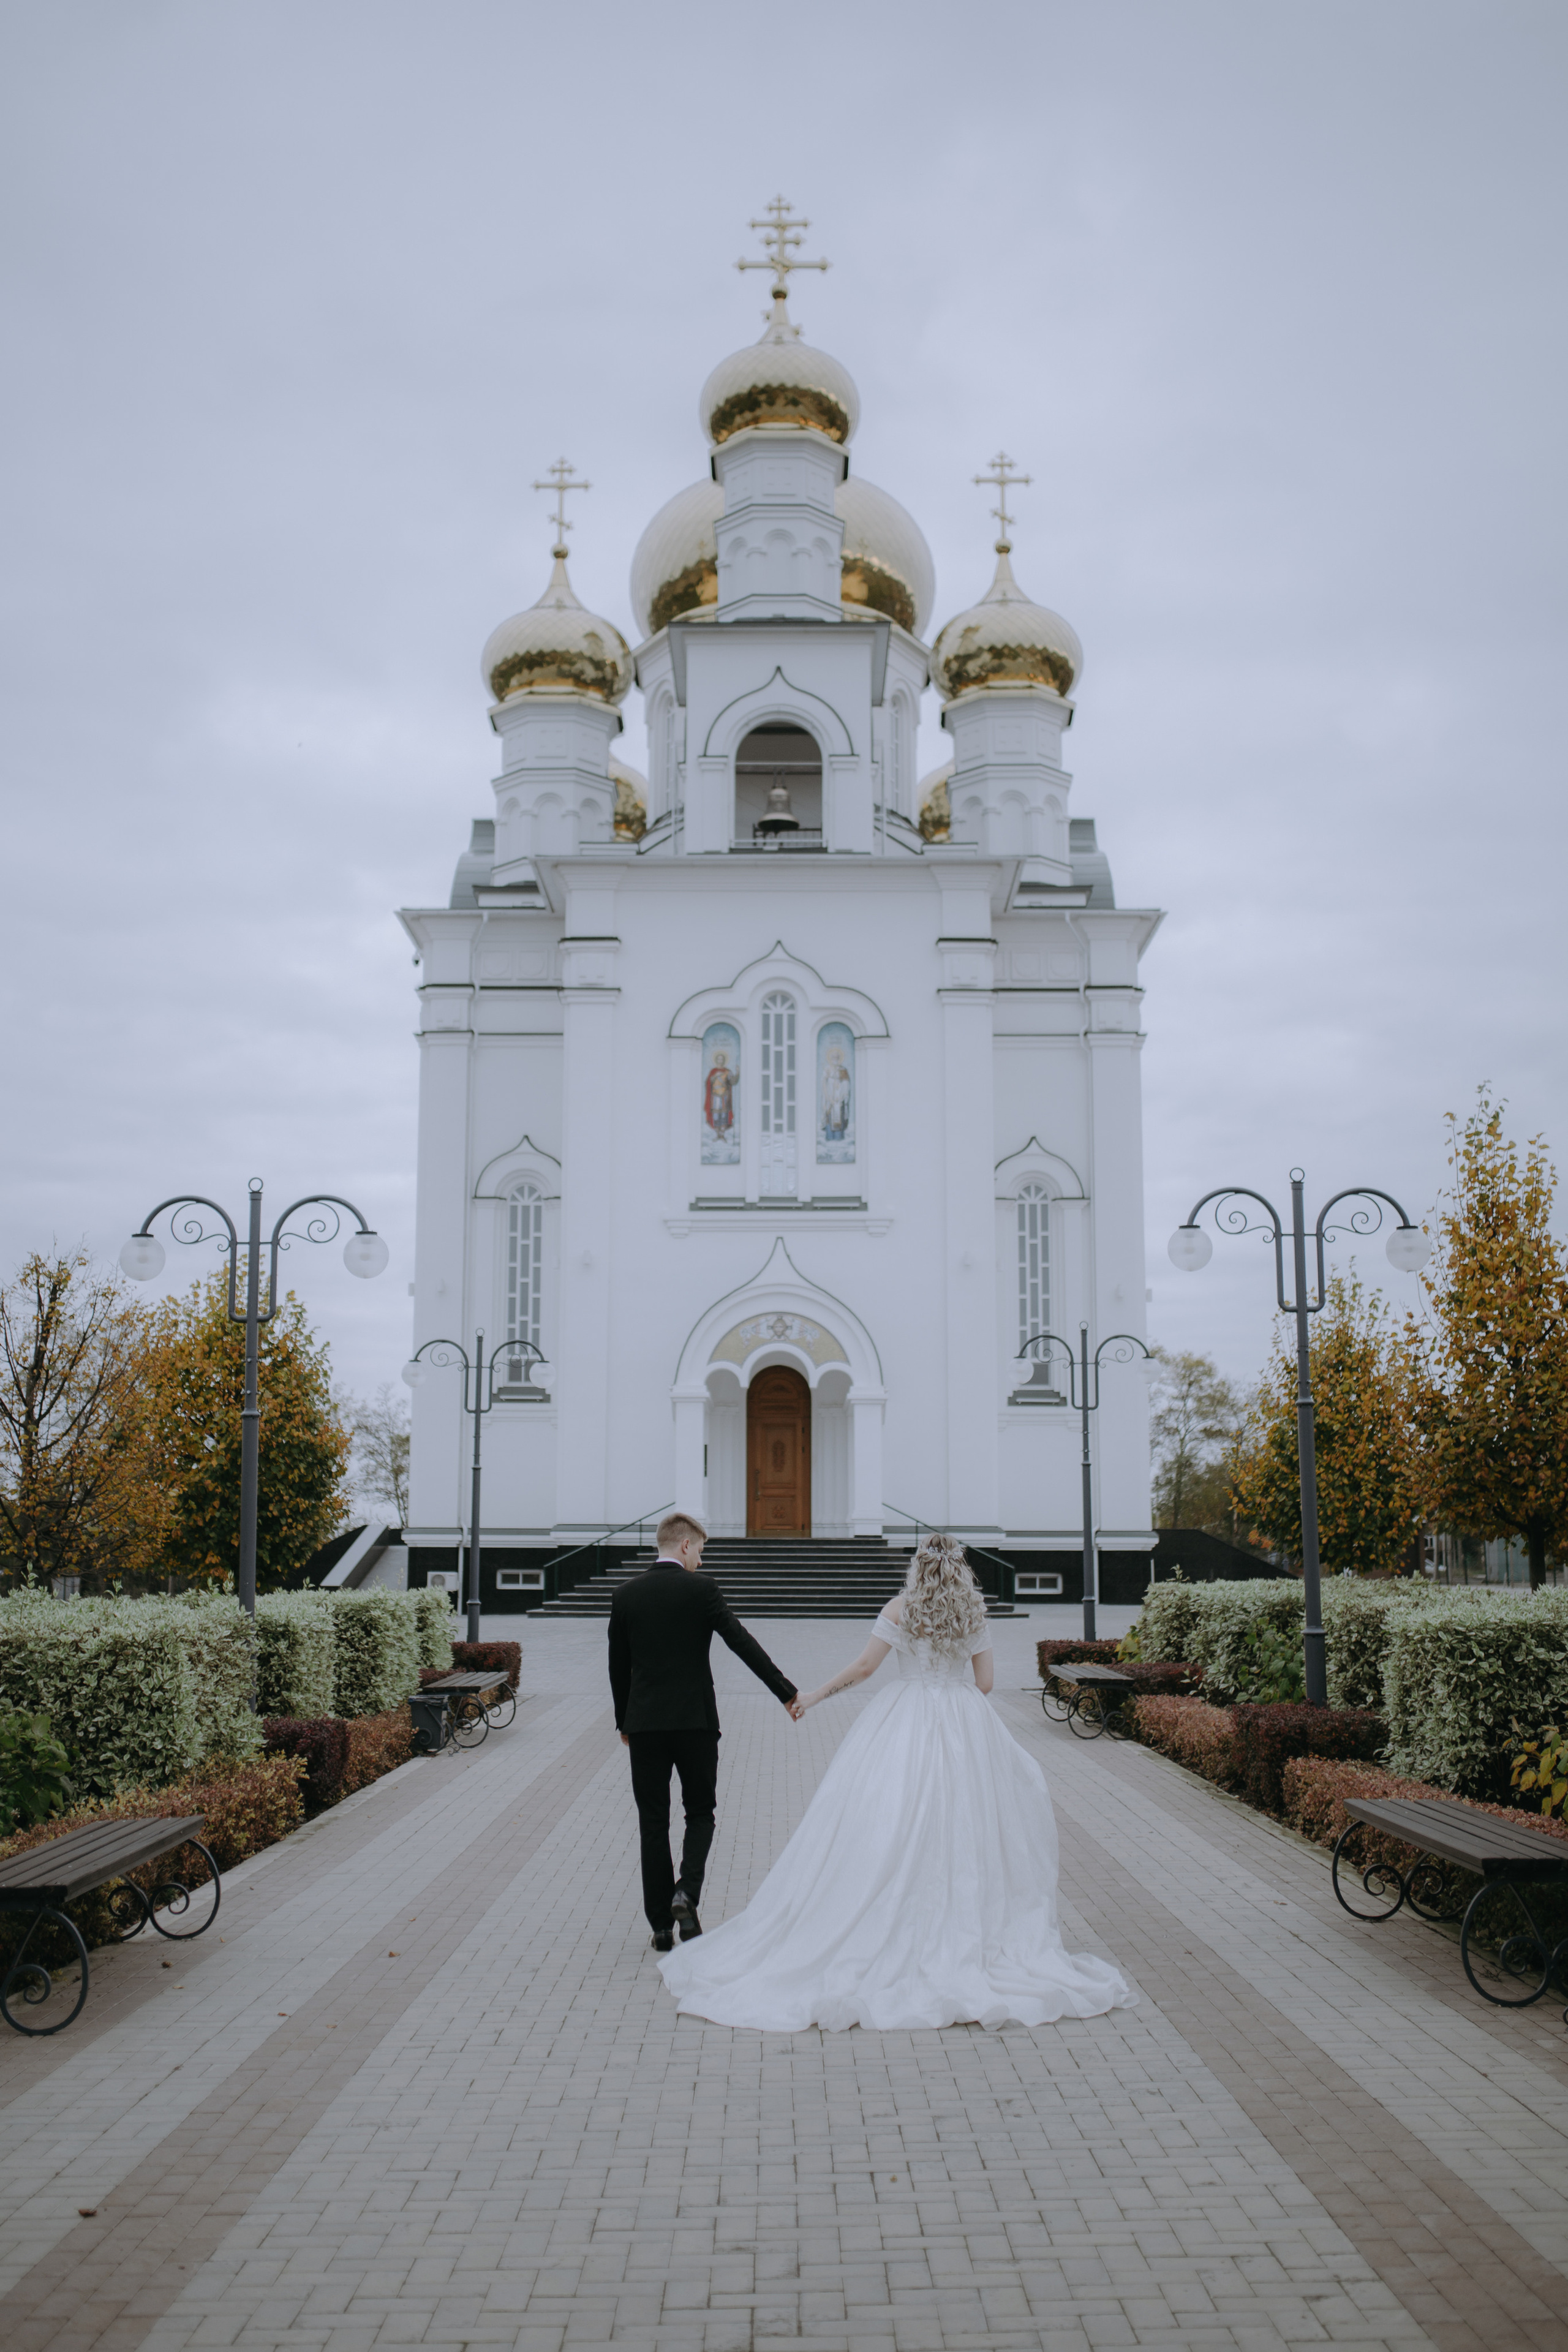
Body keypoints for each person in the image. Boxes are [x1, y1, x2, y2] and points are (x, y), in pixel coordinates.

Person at [657, 1532, 1136, 2030]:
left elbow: (866, 1668)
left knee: (890, 1817)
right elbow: (987, 1683)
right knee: (968, 1826)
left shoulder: (901, 1608)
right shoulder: (973, 1610)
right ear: (960, 1569)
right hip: (964, 1722)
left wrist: (813, 1696)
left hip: (905, 1716)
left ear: (918, 1567)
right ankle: (968, 1929)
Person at [609, 1510, 802, 1954]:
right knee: (700, 1813)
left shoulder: (625, 1596)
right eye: (700, 1550)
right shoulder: (702, 1590)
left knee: (653, 1822)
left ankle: (660, 1927)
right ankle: (686, 1894)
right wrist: (785, 1693)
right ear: (683, 1546)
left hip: (646, 1726)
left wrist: (625, 1720)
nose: (700, 1558)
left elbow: (619, 1666)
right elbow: (741, 1641)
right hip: (696, 1722)